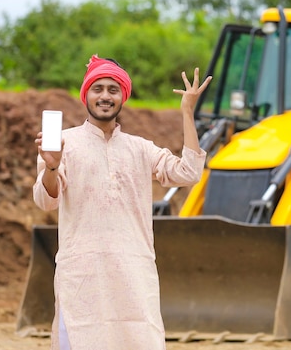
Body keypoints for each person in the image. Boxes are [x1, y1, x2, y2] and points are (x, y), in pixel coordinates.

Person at [32, 54, 212, 350]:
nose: (105, 96)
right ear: (85, 95)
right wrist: (52, 167)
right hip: (82, 276)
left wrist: (187, 114)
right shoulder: (64, 144)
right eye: (98, 88)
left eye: (113, 90)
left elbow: (189, 172)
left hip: (133, 273)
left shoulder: (140, 148)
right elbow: (46, 201)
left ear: (123, 97)